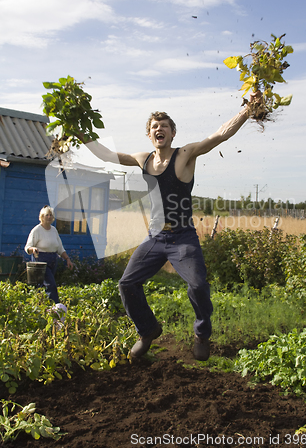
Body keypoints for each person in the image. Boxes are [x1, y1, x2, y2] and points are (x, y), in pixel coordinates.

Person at [81, 92, 261, 361]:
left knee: (198, 285)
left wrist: (247, 111)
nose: (159, 129)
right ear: (149, 135)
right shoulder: (143, 159)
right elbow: (107, 155)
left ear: (173, 133)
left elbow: (220, 135)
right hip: (154, 238)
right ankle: (148, 330)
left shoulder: (185, 154)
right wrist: (81, 133)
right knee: (127, 284)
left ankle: (201, 333)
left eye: (164, 126)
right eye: (154, 127)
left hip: (183, 237)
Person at [25, 205, 73, 304]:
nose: (49, 217)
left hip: (53, 259)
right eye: (47, 215)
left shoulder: (54, 230)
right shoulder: (36, 230)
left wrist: (67, 259)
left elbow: (60, 248)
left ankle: (39, 305)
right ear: (42, 217)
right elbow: (27, 247)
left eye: (51, 215)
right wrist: (33, 249)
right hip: (40, 260)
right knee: (51, 284)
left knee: (42, 285)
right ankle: (55, 307)